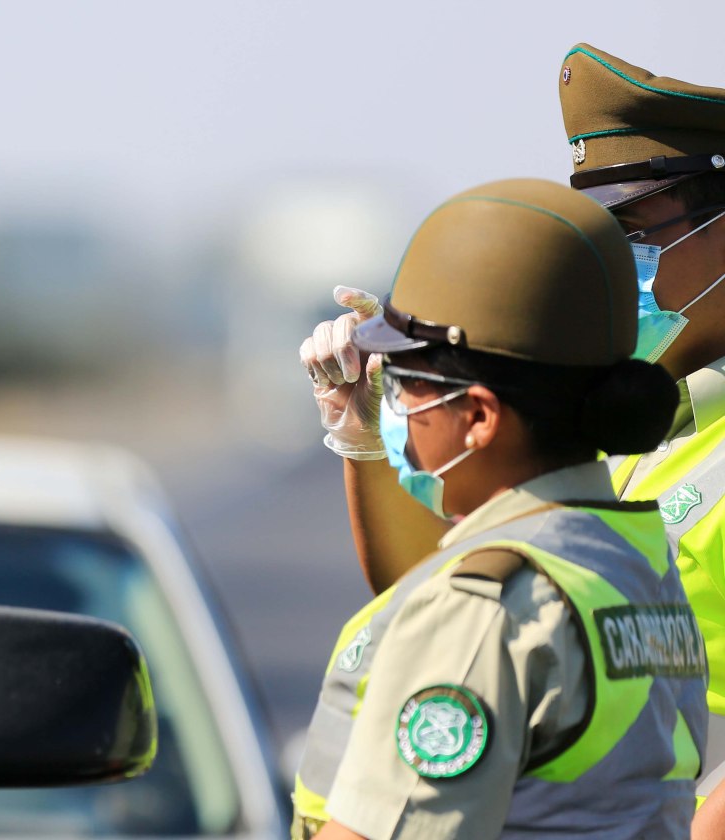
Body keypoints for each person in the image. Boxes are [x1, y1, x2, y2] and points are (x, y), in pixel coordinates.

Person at [301, 46, 725, 823]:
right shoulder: (609, 399)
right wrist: (367, 440)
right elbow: (442, 587)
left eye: (636, 229)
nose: (616, 262)